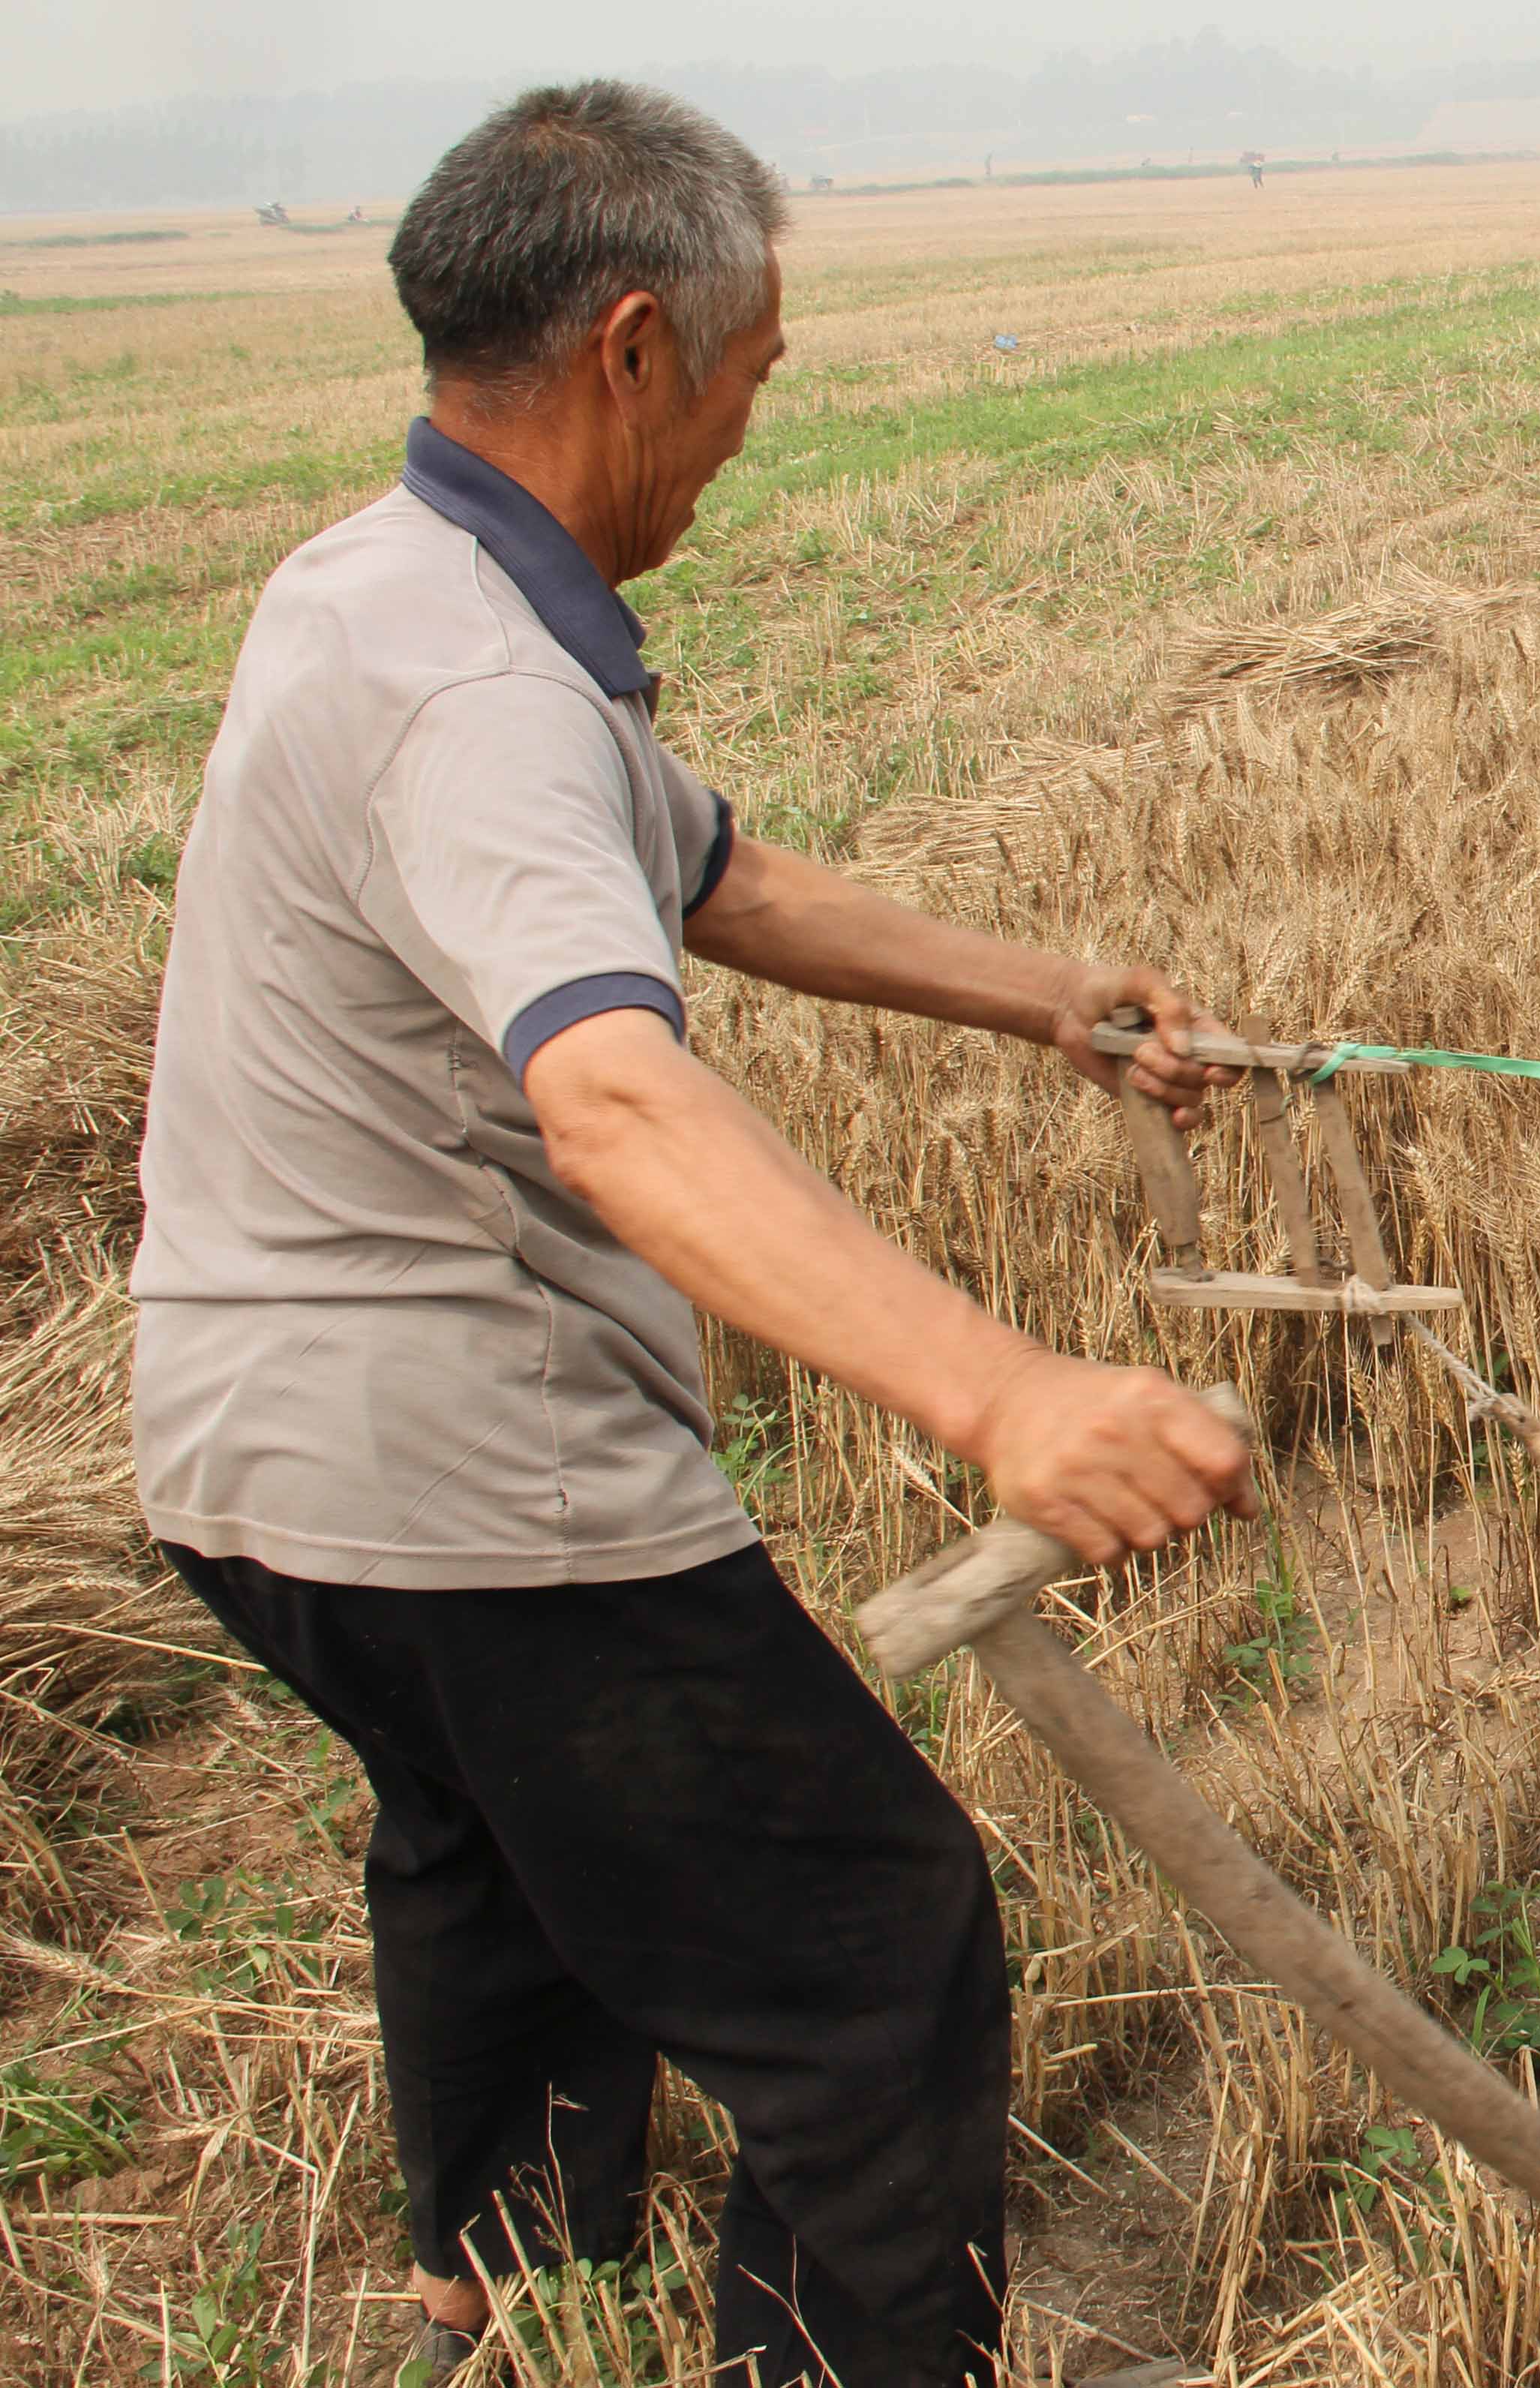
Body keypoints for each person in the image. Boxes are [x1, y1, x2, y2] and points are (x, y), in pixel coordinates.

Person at [128, 83, 1253, 2388]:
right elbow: (617, 1093)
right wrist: (1006, 1388)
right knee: (876, 1947)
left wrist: (1055, 996)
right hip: (470, 1477)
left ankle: (503, 2283)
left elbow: (715, 879)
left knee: (491, 1845)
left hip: (248, 1470)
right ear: (634, 346)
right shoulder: (476, 693)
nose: (753, 427)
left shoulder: (382, 581)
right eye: (752, 374)